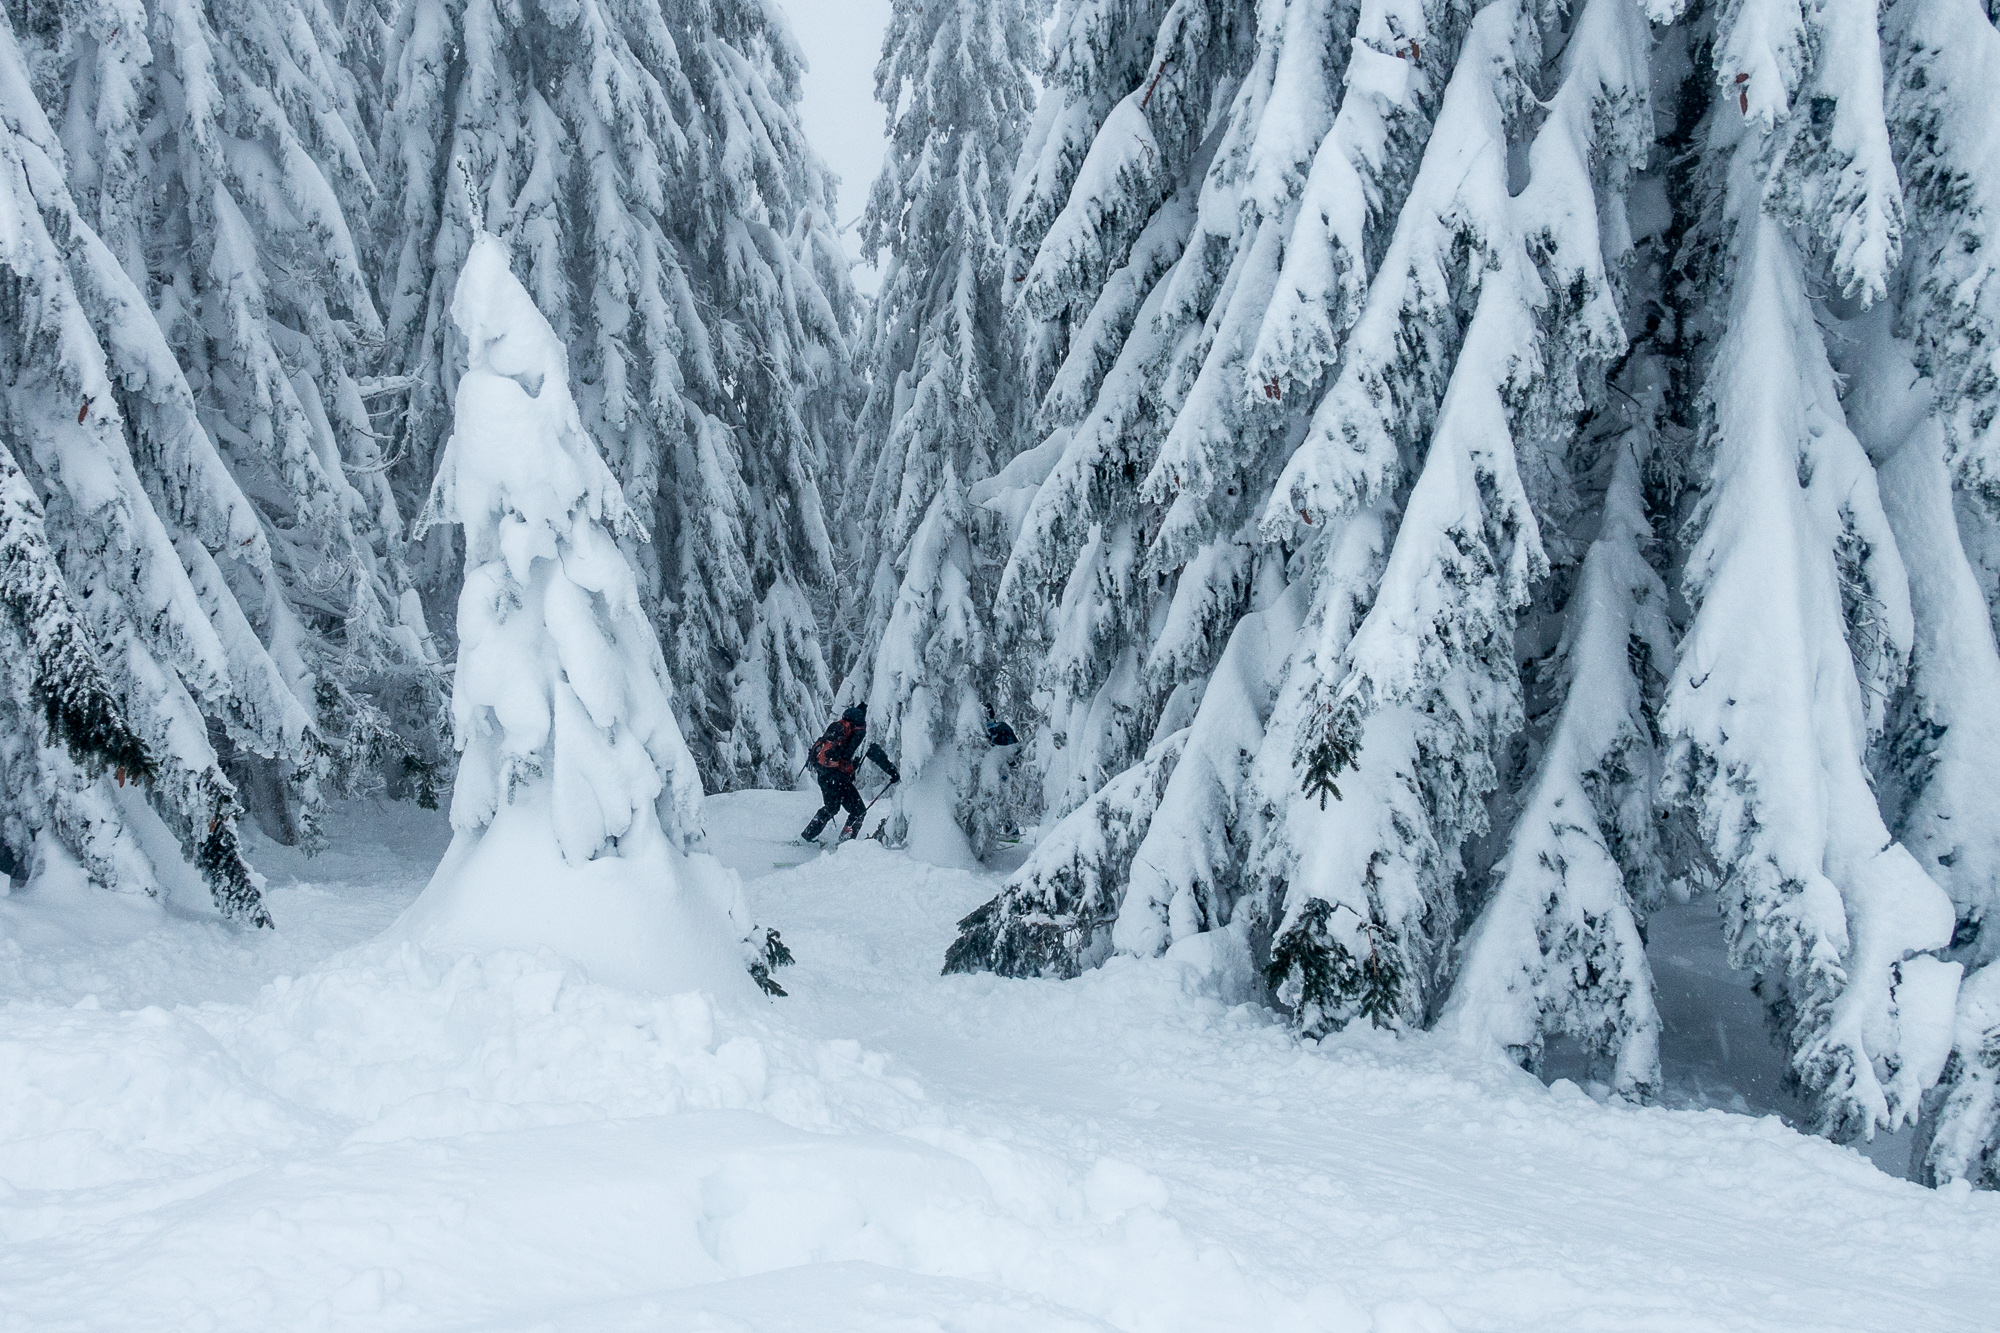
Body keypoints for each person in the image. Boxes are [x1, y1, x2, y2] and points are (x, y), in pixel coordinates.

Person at [800, 702, 899, 843]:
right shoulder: (861, 734)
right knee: (858, 811)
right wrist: (893, 772)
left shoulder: (842, 728)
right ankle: (844, 844)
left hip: (825, 774)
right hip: (838, 778)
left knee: (831, 808)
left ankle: (806, 837)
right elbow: (877, 756)